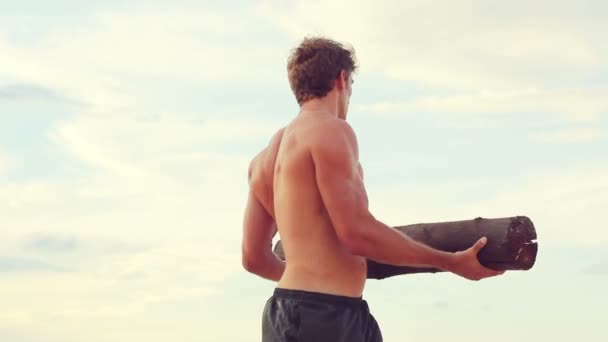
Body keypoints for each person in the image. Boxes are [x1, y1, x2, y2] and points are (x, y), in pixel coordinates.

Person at [241, 36, 505, 342]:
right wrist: (450, 261)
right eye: (351, 84)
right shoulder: (330, 130)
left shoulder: (264, 160)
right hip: (324, 316)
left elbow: (253, 257)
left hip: (297, 313)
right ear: (341, 79)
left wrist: (307, 283)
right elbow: (356, 232)